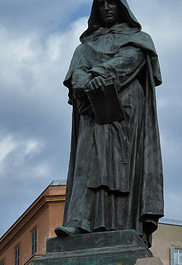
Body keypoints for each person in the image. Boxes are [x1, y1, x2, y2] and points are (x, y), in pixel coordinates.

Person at [55, 0, 163, 247]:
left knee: (122, 166)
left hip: (126, 112)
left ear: (122, 7)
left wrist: (97, 74)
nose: (107, 7)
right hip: (93, 109)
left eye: (112, 2)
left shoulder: (139, 39)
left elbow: (128, 61)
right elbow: (76, 75)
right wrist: (85, 80)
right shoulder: (84, 48)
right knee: (87, 161)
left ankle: (126, 225)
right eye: (101, 4)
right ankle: (80, 220)